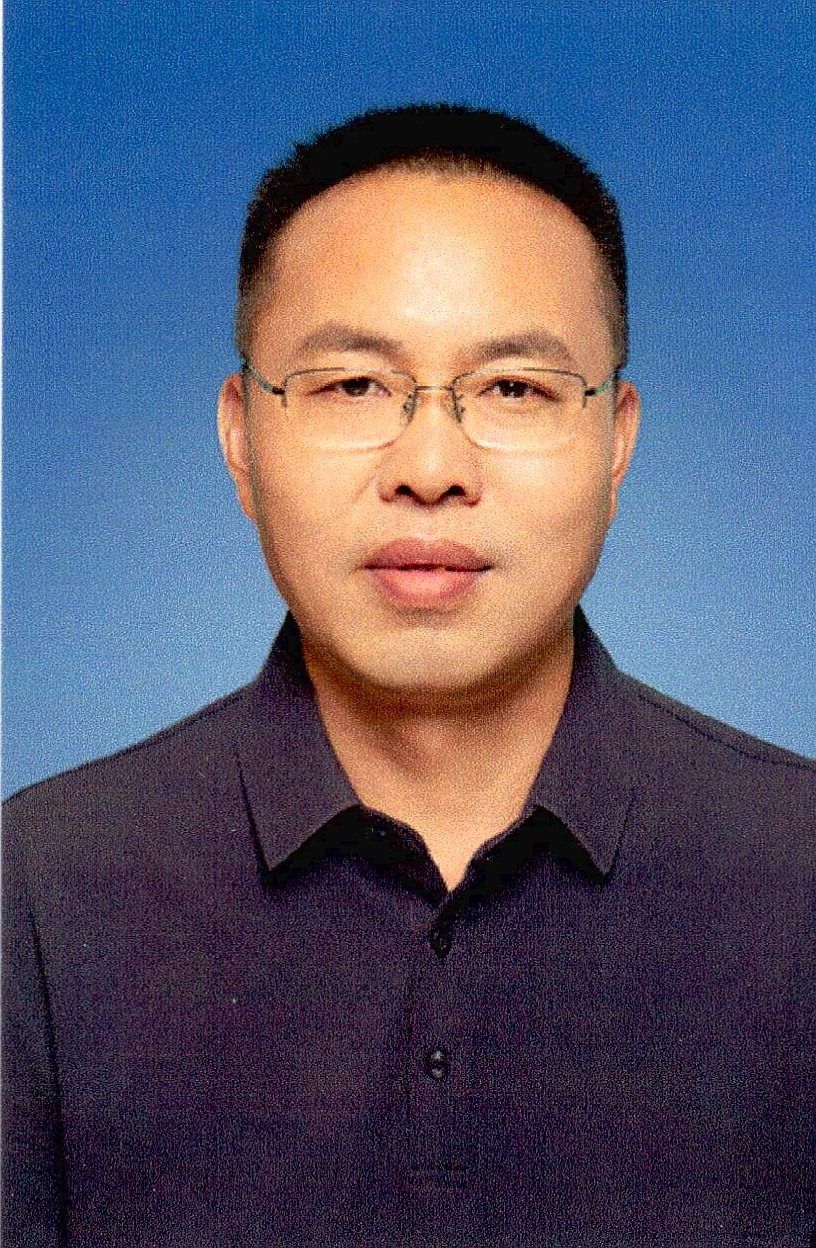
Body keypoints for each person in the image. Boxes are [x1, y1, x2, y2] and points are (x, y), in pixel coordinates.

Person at [3, 104, 813, 1248]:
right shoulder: (37, 893)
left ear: (617, 442)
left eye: (515, 389)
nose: (431, 467)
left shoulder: (798, 875)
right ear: (240, 439)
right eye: (353, 387)